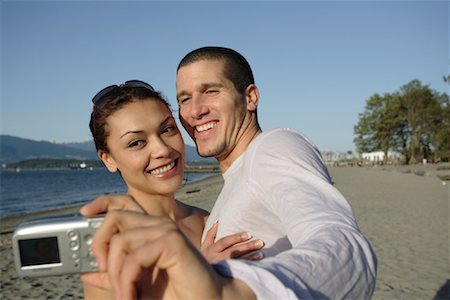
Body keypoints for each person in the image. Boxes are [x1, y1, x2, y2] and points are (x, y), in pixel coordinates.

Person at [82, 47, 377, 299]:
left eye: (210, 91)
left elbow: (342, 244)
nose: (195, 110)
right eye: (184, 99)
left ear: (250, 97)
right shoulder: (211, 215)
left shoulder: (272, 148)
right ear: (108, 159)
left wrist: (222, 284)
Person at [81, 80, 264, 299]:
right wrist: (201, 276)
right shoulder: (112, 245)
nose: (162, 149)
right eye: (136, 143)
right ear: (109, 159)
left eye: (167, 129)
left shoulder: (208, 222)